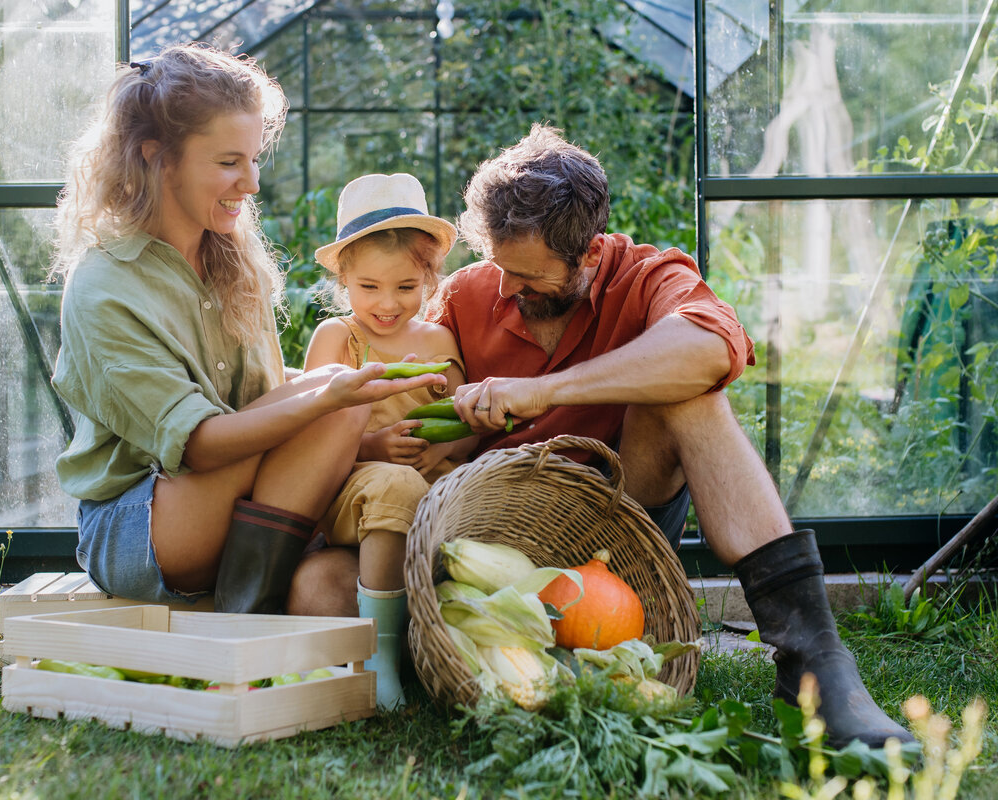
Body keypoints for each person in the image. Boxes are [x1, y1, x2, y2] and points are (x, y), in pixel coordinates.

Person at [427, 124, 914, 750]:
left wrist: (546, 392)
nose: (505, 289)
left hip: (621, 522)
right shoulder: (468, 295)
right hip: (502, 538)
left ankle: (813, 658)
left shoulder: (648, 276)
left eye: (529, 275)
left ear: (592, 254)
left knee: (688, 390)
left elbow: (709, 349)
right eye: (498, 265)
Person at [48, 43, 445, 617]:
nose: (252, 183)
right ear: (158, 158)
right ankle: (256, 613)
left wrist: (338, 405)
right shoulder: (106, 285)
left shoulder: (233, 257)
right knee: (333, 392)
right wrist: (325, 398)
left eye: (255, 159)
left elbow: (259, 399)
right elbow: (203, 444)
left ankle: (259, 596)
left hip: (238, 502)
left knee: (338, 390)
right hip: (142, 526)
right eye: (229, 162)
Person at [303, 173, 474, 708]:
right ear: (344, 280)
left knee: (460, 499)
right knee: (397, 485)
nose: (387, 303)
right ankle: (379, 661)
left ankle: (444, 649)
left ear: (429, 278)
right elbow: (304, 436)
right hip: (353, 488)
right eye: (368, 287)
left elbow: (466, 425)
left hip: (431, 484)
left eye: (406, 288)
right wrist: (373, 447)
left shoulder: (439, 340)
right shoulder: (338, 338)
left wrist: (444, 448)